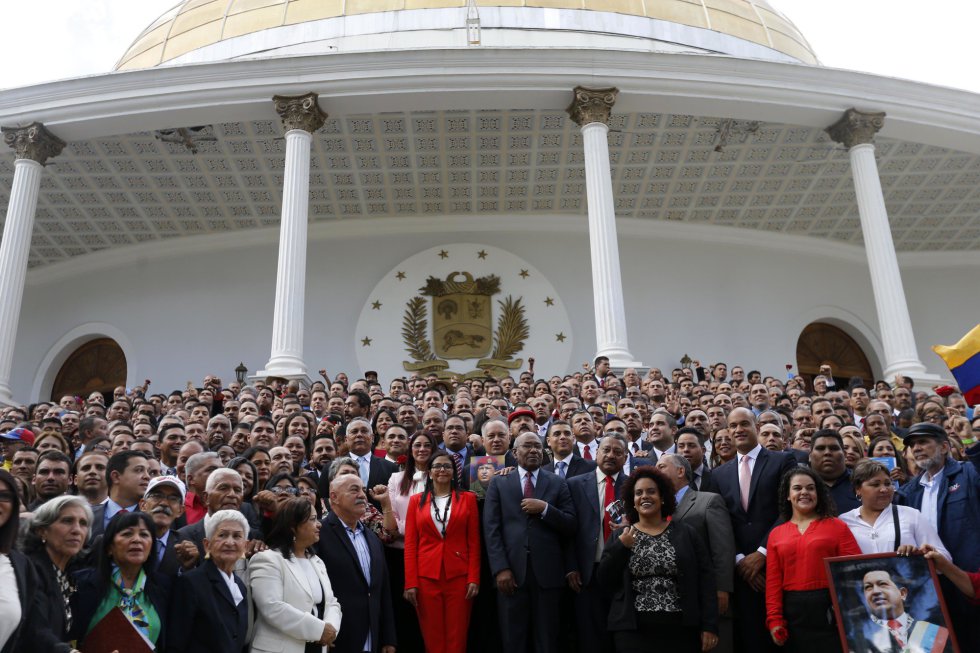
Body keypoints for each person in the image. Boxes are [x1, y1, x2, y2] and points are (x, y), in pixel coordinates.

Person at [597, 467, 718, 653]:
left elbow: (706, 579)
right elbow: (604, 581)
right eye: (638, 493)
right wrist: (621, 547)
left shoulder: (686, 533)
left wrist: (709, 625)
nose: (645, 496)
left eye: (651, 491)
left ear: (662, 498)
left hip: (680, 628)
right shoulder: (621, 536)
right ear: (633, 502)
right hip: (632, 630)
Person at [713, 407, 797, 653]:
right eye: (733, 426)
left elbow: (788, 508)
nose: (738, 429)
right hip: (743, 576)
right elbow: (721, 523)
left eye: (744, 424)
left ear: (757, 428)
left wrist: (762, 553)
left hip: (778, 564)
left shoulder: (783, 460)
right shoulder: (719, 475)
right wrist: (740, 559)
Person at [483, 432, 576, 653]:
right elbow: (491, 529)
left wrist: (545, 509)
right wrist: (500, 568)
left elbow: (571, 524)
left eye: (538, 447)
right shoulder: (499, 482)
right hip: (511, 574)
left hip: (548, 575)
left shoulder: (557, 482)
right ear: (515, 453)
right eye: (528, 447)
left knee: (547, 640)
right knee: (513, 639)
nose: (534, 450)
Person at [896, 422, 980, 642]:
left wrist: (971, 441)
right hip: (931, 585)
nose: (916, 448)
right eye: (913, 444)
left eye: (923, 442)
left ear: (944, 447)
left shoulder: (968, 473)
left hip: (969, 580)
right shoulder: (908, 492)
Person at [765, 467, 861, 652]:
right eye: (797, 488)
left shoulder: (837, 526)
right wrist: (774, 619)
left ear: (818, 493)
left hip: (830, 612)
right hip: (793, 613)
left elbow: (853, 572)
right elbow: (773, 582)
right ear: (787, 494)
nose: (804, 492)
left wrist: (847, 611)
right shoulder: (776, 534)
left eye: (810, 488)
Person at [656, 453, 736, 653]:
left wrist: (722, 588)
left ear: (680, 471)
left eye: (661, 467)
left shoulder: (708, 501)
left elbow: (722, 548)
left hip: (707, 595)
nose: (655, 472)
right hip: (673, 602)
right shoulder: (656, 510)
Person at [403, 450, 481, 653]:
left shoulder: (468, 499)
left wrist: (474, 577)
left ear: (454, 472)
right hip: (426, 576)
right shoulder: (415, 501)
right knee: (432, 635)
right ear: (429, 472)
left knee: (457, 635)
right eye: (437, 466)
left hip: (459, 576)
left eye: (447, 466)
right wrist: (410, 582)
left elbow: (474, 542)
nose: (442, 470)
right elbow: (411, 545)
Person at [315, 474, 397, 653]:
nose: (362, 495)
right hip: (334, 639)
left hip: (372, 639)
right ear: (334, 497)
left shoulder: (373, 539)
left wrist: (388, 638)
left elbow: (383, 591)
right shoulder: (319, 534)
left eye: (362, 489)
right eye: (354, 490)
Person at [69, 510, 171, 651]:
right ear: (110, 547)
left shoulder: (166, 588)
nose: (137, 540)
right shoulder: (80, 584)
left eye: (144, 534)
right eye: (127, 534)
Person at [249, 498, 341, 653]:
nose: (319, 524)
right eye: (312, 519)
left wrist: (331, 630)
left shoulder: (317, 561)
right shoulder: (267, 560)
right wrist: (319, 630)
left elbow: (332, 603)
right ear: (292, 526)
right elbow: (272, 607)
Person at [565, 433, 628, 653]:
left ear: (626, 456)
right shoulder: (574, 484)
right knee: (590, 637)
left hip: (624, 575)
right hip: (587, 573)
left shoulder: (635, 486)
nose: (611, 455)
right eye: (606, 450)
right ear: (597, 452)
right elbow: (568, 530)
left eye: (618, 452)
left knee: (621, 637)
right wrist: (572, 565)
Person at [166, 510, 251, 652]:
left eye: (237, 536)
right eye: (222, 535)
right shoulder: (191, 583)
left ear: (245, 546)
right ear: (207, 545)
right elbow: (176, 643)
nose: (230, 542)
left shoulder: (241, 587)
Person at [23, 495, 93, 651]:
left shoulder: (69, 576)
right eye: (67, 521)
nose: (77, 530)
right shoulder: (31, 569)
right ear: (42, 531)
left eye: (83, 523)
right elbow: (35, 630)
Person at [839, 459, 950, 557]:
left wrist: (919, 554)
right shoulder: (844, 522)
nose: (884, 489)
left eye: (888, 484)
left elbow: (944, 557)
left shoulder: (911, 515)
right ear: (858, 489)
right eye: (875, 485)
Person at [855, 569, 952, 653]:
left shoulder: (934, 632)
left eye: (883, 584)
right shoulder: (863, 639)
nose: (875, 591)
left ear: (902, 593)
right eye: (868, 587)